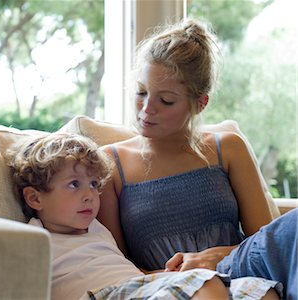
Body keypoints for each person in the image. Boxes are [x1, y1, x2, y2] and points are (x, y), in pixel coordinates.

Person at [97, 18, 296, 299]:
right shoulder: (110, 165)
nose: (146, 109)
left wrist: (219, 257)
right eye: (141, 92)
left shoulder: (227, 147)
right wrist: (187, 276)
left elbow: (268, 245)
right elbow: (116, 263)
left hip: (243, 278)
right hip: (164, 288)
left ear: (200, 103)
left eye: (165, 100)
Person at [7, 132, 280, 300]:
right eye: (74, 185)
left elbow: (130, 272)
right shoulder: (34, 239)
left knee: (257, 290)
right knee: (205, 285)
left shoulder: (97, 230)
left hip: (138, 287)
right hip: (103, 295)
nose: (90, 195)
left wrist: (167, 274)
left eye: (93, 184)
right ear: (35, 198)